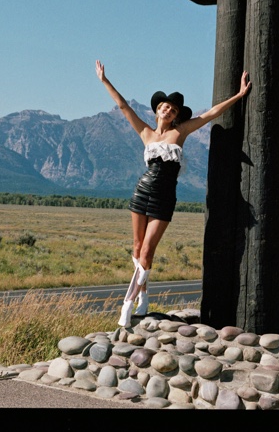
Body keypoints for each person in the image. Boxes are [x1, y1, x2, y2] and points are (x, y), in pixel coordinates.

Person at [95, 59, 251, 327]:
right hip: (142, 191)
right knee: (137, 248)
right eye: (164, 106)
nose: (167, 109)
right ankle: (143, 296)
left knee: (147, 251)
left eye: (173, 108)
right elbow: (123, 107)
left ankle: (127, 305)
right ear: (157, 110)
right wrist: (104, 80)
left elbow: (211, 113)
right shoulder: (146, 132)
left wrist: (238, 95)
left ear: (176, 115)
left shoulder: (181, 131)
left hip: (165, 198)